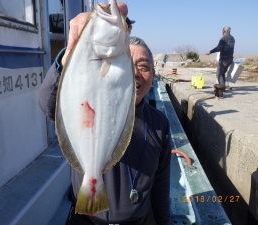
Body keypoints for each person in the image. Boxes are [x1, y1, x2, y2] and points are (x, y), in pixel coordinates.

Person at [38, 3, 171, 225]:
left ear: (153, 75)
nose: (136, 73)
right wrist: (70, 55)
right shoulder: (88, 89)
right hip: (87, 221)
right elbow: (47, 104)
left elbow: (161, 186)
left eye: (144, 67)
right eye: (130, 63)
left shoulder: (159, 123)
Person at [206, 26, 235, 93]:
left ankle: (221, 89)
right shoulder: (233, 38)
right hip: (230, 59)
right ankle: (223, 87)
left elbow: (218, 48)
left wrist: (210, 52)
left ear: (223, 32)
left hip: (224, 59)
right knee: (223, 73)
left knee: (219, 74)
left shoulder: (223, 39)